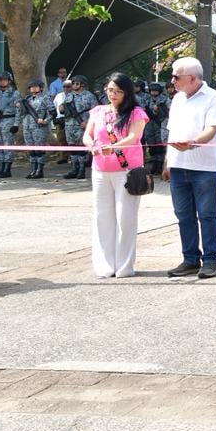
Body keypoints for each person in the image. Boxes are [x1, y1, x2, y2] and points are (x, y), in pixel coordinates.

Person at [163, 57, 216, 279]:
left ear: (191, 78)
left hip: (204, 166)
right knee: (183, 215)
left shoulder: (214, 98)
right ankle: (190, 259)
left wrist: (192, 144)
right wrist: (166, 162)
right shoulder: (178, 99)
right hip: (178, 166)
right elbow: (172, 132)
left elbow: (212, 129)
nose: (172, 81)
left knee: (207, 215)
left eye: (175, 76)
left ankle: (210, 260)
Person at [81, 73, 149, 278]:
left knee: (125, 218)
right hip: (101, 170)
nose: (113, 94)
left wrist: (114, 147)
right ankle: (104, 264)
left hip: (127, 171)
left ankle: (124, 266)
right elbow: (87, 134)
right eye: (110, 90)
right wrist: (90, 145)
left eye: (118, 91)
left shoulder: (136, 112)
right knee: (102, 217)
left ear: (127, 93)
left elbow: (134, 137)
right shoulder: (98, 111)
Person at [62, 75, 98, 179]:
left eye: (76, 83)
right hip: (69, 125)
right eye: (72, 83)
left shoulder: (90, 96)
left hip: (82, 125)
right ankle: (74, 169)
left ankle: (81, 170)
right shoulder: (69, 96)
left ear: (82, 84)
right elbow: (64, 109)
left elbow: (95, 112)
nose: (73, 85)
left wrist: (88, 122)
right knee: (72, 148)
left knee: (82, 149)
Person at [0, 71, 21, 178]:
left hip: (8, 120)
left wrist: (16, 124)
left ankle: (7, 169)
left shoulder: (14, 93)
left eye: (5, 79)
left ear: (9, 80)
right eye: (0, 80)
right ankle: (0, 168)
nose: (2, 82)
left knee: (8, 145)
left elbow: (18, 110)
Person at [20, 78, 53, 179]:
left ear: (41, 88)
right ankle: (33, 170)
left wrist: (46, 120)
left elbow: (53, 112)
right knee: (31, 150)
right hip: (27, 127)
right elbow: (22, 112)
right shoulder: (27, 99)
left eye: (35, 86)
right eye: (31, 87)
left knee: (39, 150)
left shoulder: (45, 98)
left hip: (39, 127)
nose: (33, 88)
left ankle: (40, 170)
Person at [143, 82, 171, 175]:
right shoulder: (147, 99)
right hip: (149, 123)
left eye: (155, 91)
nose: (154, 93)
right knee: (151, 143)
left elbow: (169, 111)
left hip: (161, 122)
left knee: (160, 144)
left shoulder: (165, 99)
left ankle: (160, 164)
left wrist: (159, 109)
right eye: (152, 91)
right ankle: (154, 163)